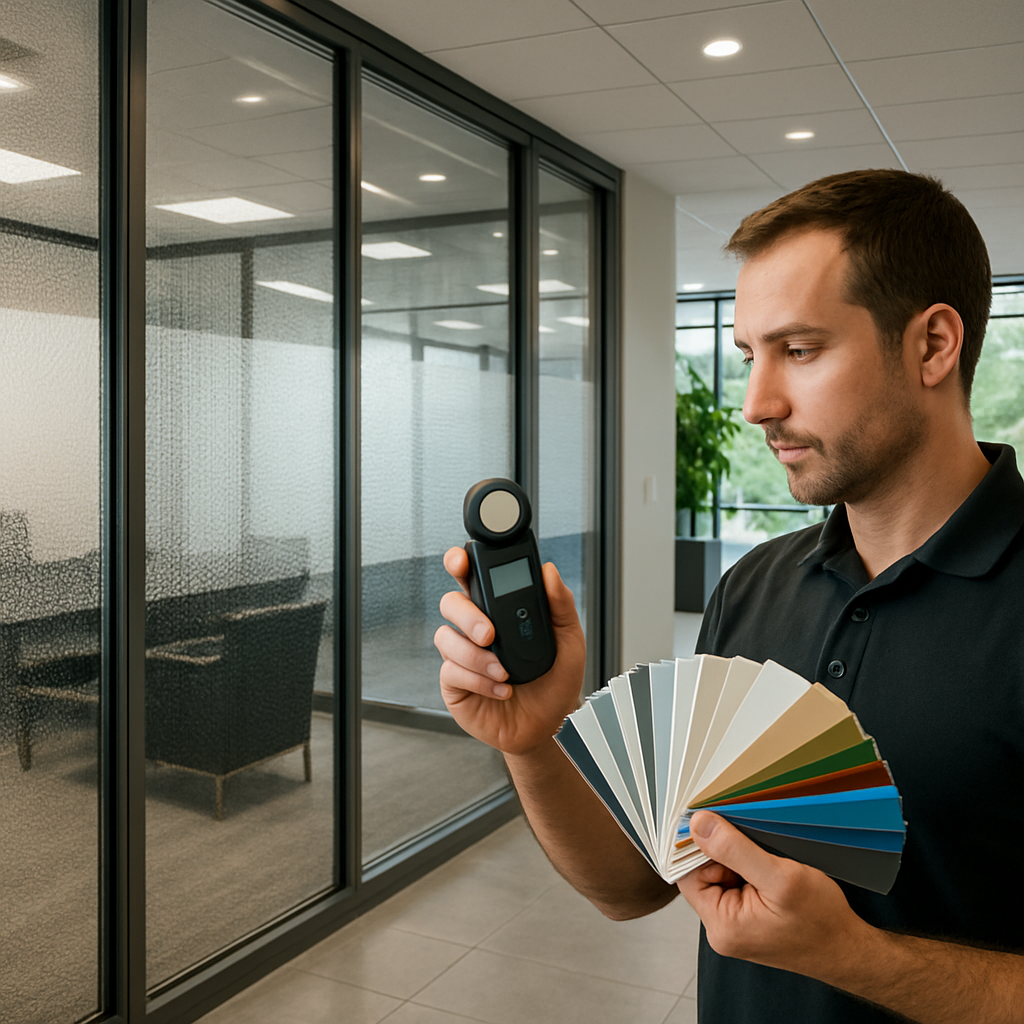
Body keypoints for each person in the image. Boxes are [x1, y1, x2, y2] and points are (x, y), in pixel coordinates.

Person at [434, 169, 1024, 1023]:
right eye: (751, 356)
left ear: (933, 345)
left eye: (801, 349)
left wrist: (856, 958)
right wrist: (533, 738)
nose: (755, 403)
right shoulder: (752, 587)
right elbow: (634, 887)